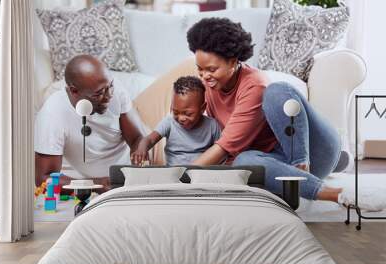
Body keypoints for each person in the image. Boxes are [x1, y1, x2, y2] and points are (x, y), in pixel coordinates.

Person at [186, 17, 354, 205]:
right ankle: (337, 163)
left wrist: (182, 176)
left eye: (211, 69)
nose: (204, 76)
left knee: (278, 91)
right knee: (244, 161)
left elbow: (223, 147)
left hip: (311, 148)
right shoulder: (209, 86)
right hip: (276, 158)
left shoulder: (254, 86)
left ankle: (325, 186)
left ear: (233, 62)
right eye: (200, 69)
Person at [34, 54, 144, 192]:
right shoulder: (52, 114)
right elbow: (43, 179)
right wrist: (94, 185)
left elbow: (137, 138)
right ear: (74, 91)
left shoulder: (114, 90)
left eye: (110, 87)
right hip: (90, 181)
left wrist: (141, 157)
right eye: (98, 94)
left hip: (131, 171)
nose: (109, 96)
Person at [131, 76, 221, 166]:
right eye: (175, 112)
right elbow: (150, 139)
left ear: (202, 108)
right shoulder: (169, 122)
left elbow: (220, 152)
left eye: (188, 114)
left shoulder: (212, 126)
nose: (181, 118)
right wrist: (142, 148)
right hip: (174, 174)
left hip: (201, 174)